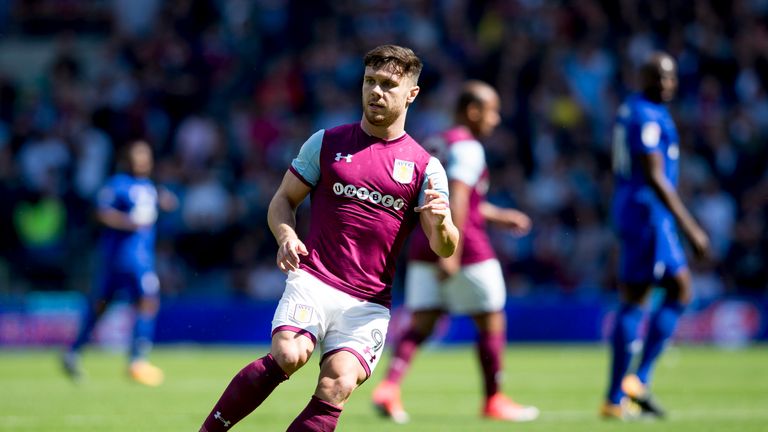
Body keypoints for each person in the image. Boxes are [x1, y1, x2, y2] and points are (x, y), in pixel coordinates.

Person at [198, 44, 459, 432]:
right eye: (370, 81)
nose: (376, 92)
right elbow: (283, 200)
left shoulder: (426, 167)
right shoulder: (327, 142)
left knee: (337, 384)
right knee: (289, 353)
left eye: (389, 84)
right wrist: (286, 235)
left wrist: (440, 224)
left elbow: (445, 246)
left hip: (369, 303)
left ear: (412, 94)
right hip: (315, 279)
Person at [371, 80, 539, 423]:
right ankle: (494, 399)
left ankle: (388, 387)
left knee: (422, 322)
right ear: (473, 111)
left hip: (423, 244)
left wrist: (495, 214)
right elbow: (458, 199)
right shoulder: (469, 147)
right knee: (491, 317)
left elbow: (451, 197)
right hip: (464, 247)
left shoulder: (436, 143)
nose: (496, 119)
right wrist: (452, 255)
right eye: (492, 111)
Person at [601, 52, 710, 419]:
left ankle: (628, 387)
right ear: (643, 78)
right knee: (642, 296)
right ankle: (621, 392)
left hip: (640, 212)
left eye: (671, 77)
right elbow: (654, 174)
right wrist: (690, 226)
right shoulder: (646, 115)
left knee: (673, 290)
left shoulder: (633, 109)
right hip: (648, 214)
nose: (666, 84)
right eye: (658, 77)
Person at [62, 139, 177, 386]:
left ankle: (73, 352)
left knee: (102, 306)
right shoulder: (117, 184)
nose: (143, 160)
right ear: (127, 159)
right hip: (127, 257)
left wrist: (164, 202)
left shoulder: (148, 186)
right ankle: (137, 361)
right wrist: (129, 221)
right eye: (138, 156)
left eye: (146, 155)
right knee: (146, 301)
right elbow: (101, 213)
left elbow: (156, 206)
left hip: (131, 257)